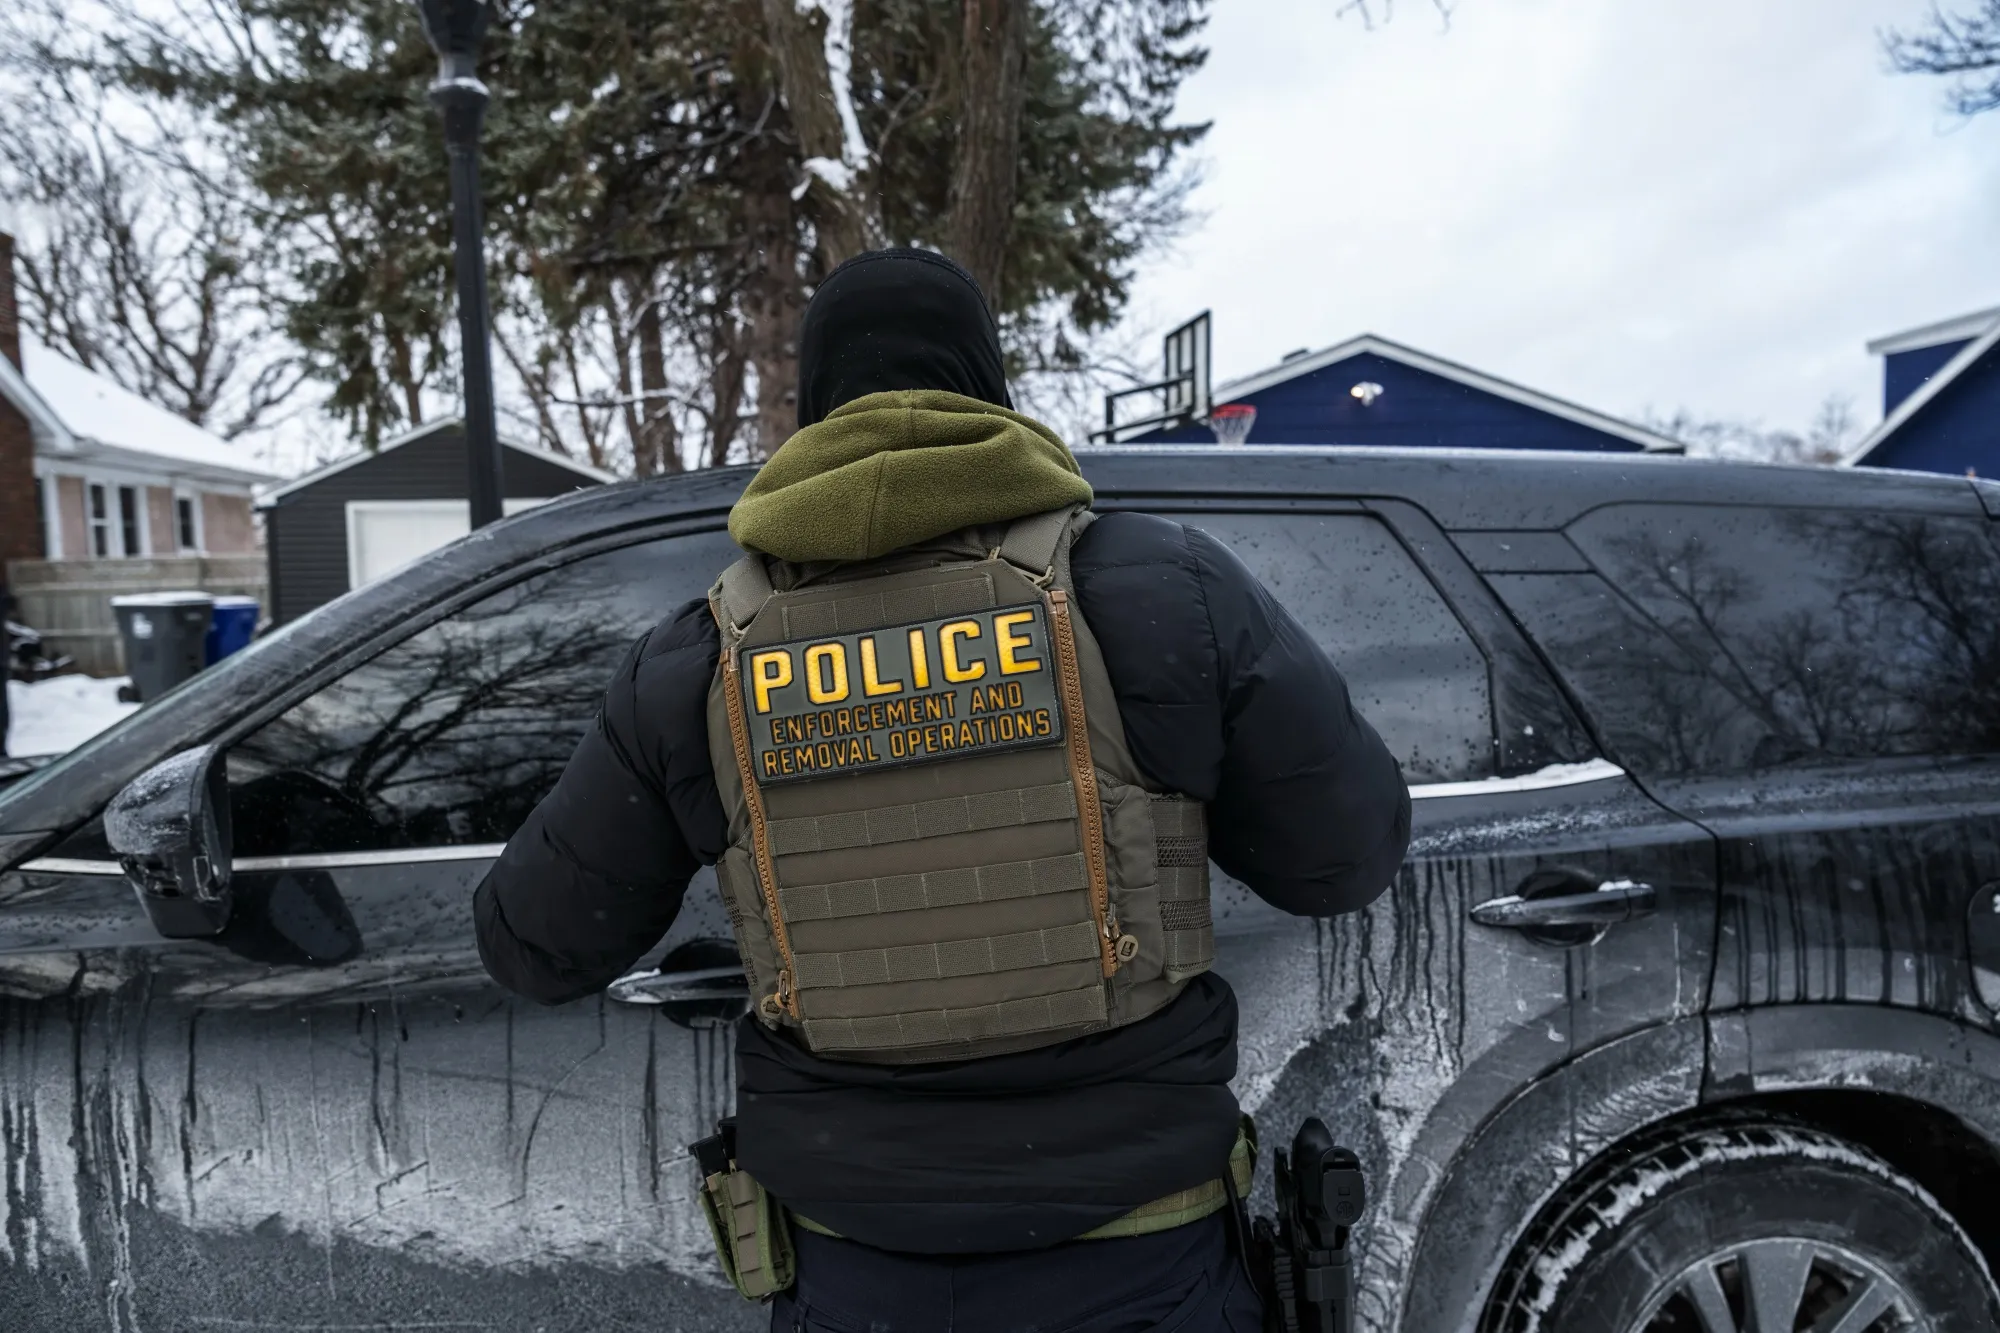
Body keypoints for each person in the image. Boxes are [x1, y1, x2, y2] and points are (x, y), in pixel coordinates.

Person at [473, 248, 1411, 1332]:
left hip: (859, 1275)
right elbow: (1343, 856)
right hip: (1145, 1259)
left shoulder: (695, 662)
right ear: (989, 391)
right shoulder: (1163, 591)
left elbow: (533, 945)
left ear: (814, 410)